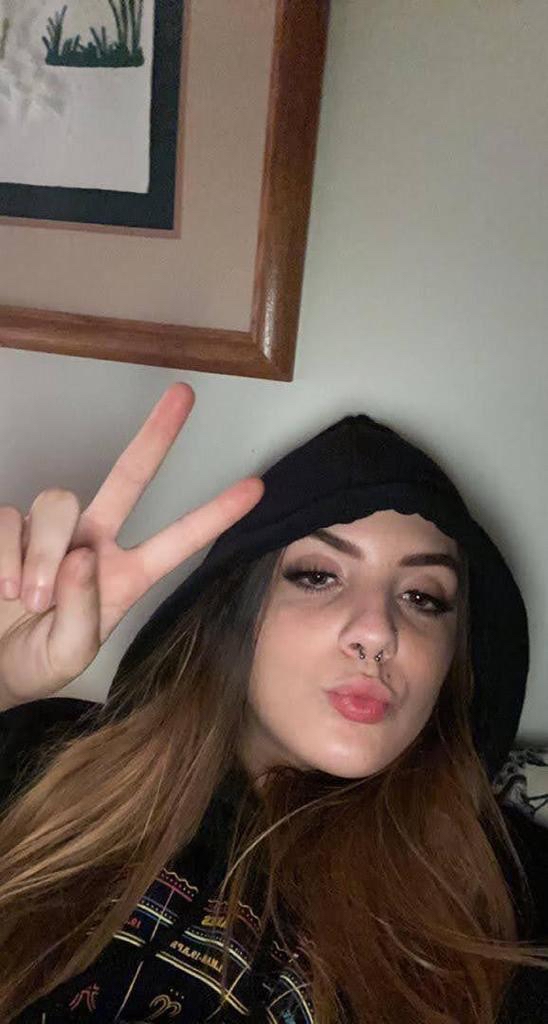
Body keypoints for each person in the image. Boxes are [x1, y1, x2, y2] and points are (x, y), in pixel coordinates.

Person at [0, 381, 546, 1023]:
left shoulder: (503, 898)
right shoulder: (42, 765)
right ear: (237, 614)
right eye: (318, 576)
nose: (377, 632)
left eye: (422, 597)